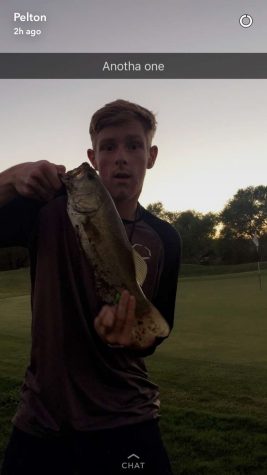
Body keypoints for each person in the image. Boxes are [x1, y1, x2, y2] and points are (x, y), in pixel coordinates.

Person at [0, 99, 181, 475]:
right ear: (92, 157)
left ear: (151, 155)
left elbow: (156, 333)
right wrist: (13, 177)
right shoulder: (46, 210)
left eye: (134, 145)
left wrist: (129, 336)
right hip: (44, 419)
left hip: (129, 419)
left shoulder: (166, 238)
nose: (121, 158)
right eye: (108, 146)